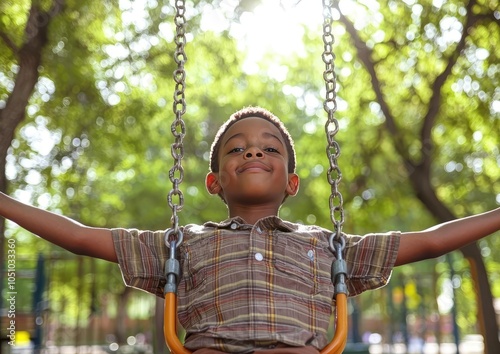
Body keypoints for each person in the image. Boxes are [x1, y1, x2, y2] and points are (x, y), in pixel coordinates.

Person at [0, 106, 499, 354]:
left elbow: (432, 241)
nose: (254, 151)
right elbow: (78, 235)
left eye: (269, 148)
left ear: (293, 182)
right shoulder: (182, 243)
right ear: (214, 180)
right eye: (237, 148)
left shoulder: (329, 247)